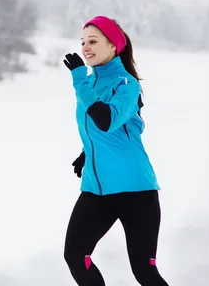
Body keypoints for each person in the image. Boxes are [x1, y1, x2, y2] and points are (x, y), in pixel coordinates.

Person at [62, 15, 169, 286]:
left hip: (136, 192)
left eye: (93, 41)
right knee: (76, 255)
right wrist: (87, 153)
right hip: (97, 191)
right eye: (83, 41)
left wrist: (79, 80)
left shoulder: (126, 85)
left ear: (113, 46)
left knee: (144, 272)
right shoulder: (92, 83)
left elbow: (106, 119)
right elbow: (97, 129)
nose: (85, 47)